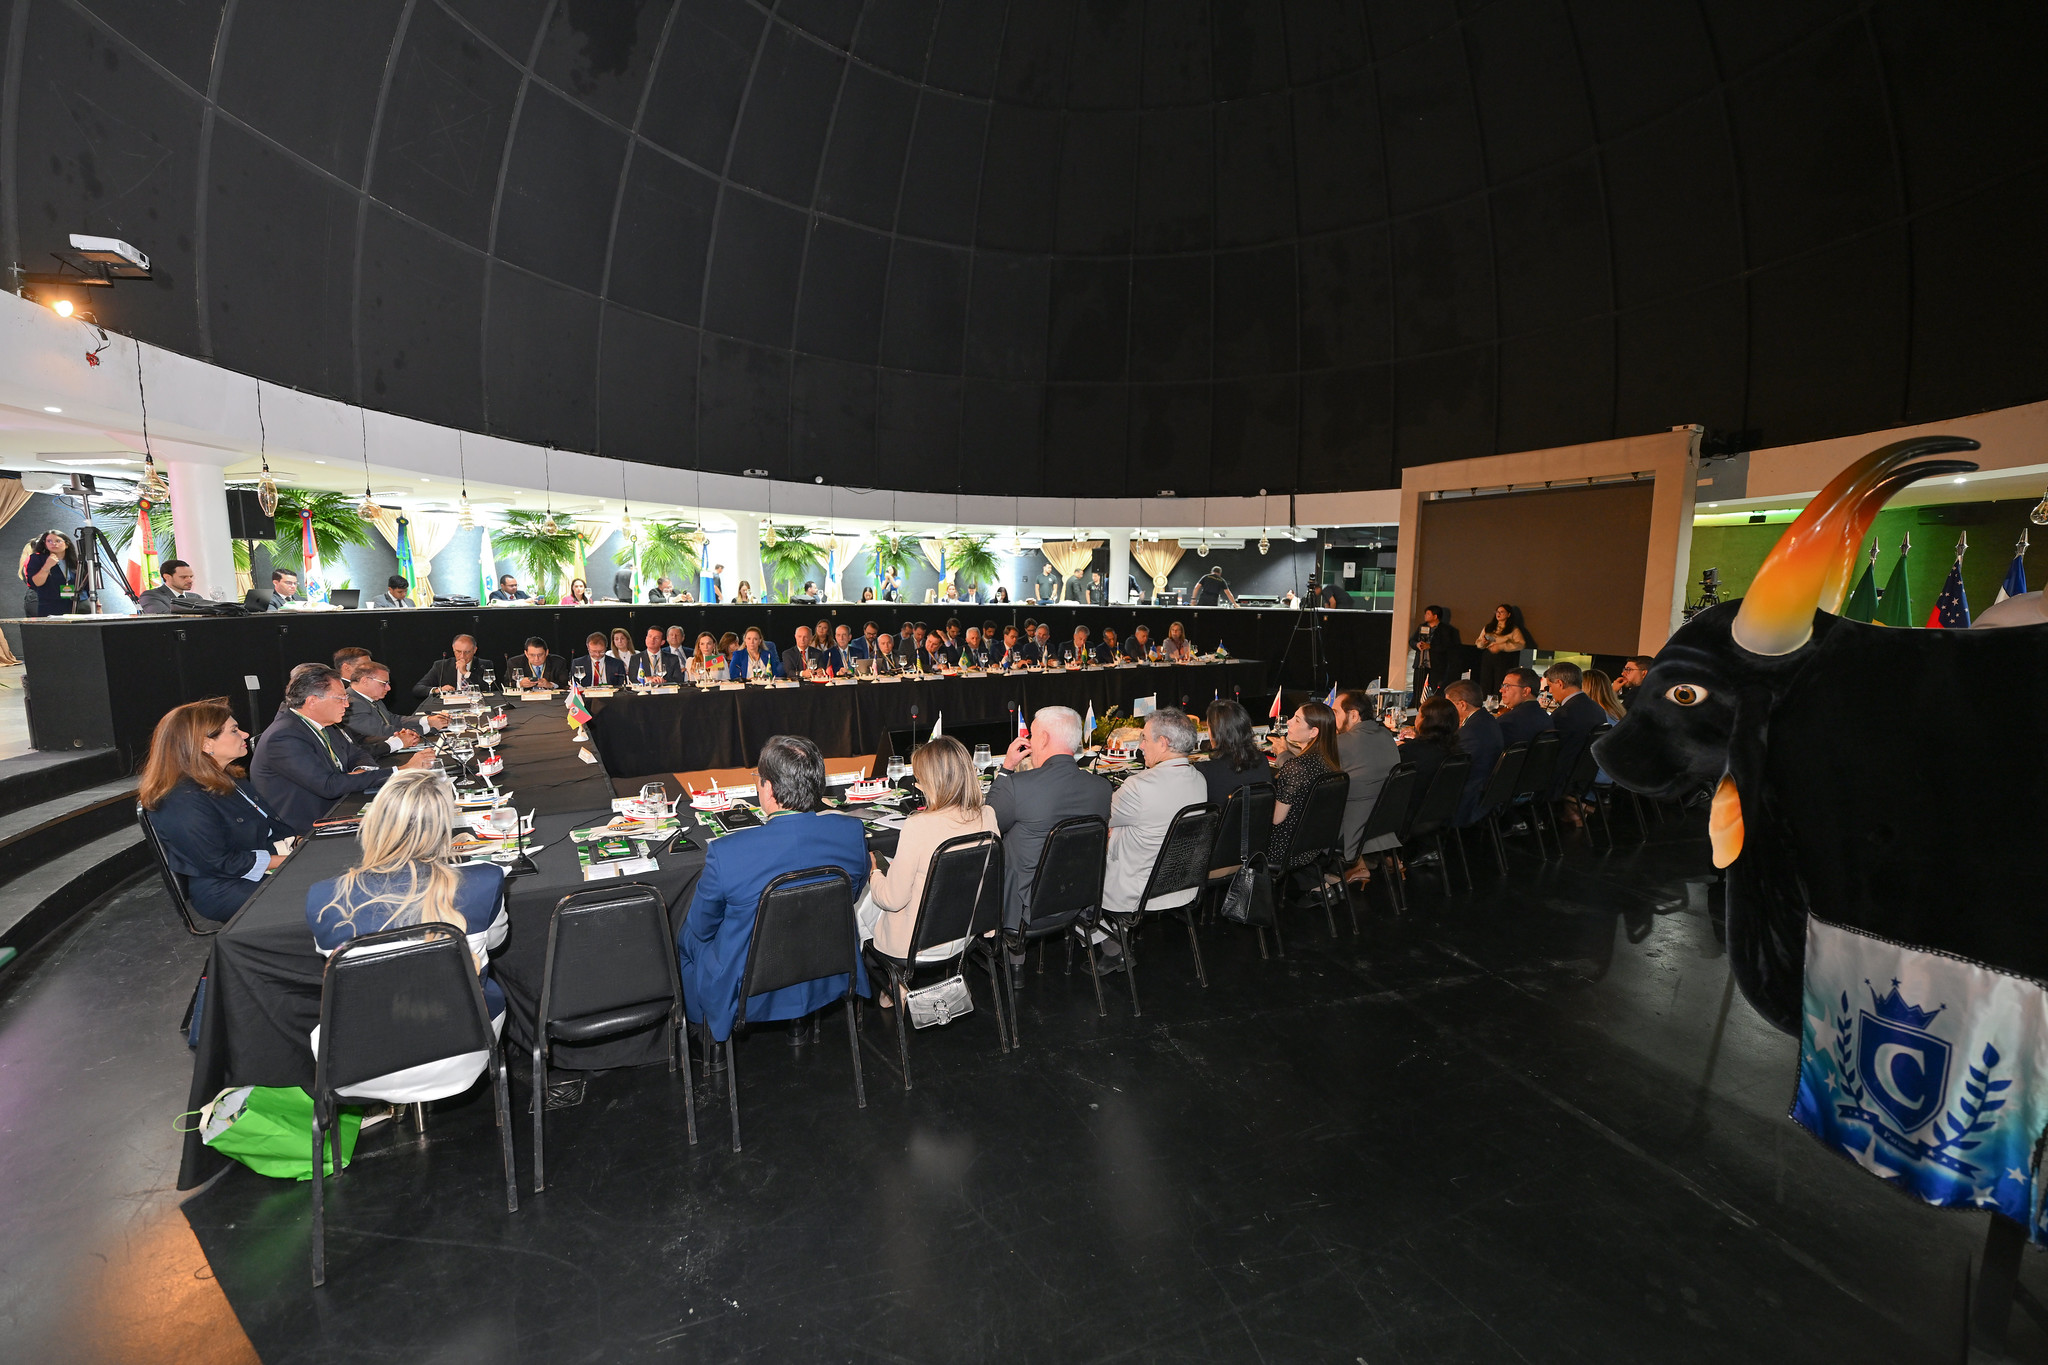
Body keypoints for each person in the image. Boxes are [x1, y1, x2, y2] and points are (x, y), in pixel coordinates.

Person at [306, 770, 509, 1076]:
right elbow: (495, 941)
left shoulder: (324, 898)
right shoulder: (483, 882)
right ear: (444, 827)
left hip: (356, 1059)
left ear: (373, 823)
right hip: (463, 1047)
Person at [677, 734, 869, 1040]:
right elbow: (851, 894)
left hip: (750, 987)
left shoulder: (727, 853)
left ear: (767, 788)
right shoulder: (851, 832)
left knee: (687, 937)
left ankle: (708, 1039)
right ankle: (798, 1025)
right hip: (827, 968)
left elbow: (702, 928)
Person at [138, 698, 297, 922]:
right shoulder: (181, 799)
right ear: (205, 745)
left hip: (261, 865)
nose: (244, 734)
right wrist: (293, 859)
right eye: (234, 730)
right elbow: (220, 862)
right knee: (326, 896)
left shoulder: (230, 777)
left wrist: (299, 844)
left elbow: (269, 825)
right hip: (226, 888)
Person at [860, 736, 1000, 961]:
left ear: (931, 784)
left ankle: (892, 988)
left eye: (918, 780)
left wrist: (874, 873)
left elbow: (891, 899)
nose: (918, 786)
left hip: (918, 943)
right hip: (964, 933)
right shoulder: (988, 814)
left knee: (861, 900)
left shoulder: (918, 825)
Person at [251, 665, 428, 836]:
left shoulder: (323, 723)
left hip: (340, 804)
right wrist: (401, 771)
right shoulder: (283, 736)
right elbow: (329, 786)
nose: (347, 705)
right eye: (341, 698)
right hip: (311, 827)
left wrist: (361, 771)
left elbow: (357, 753)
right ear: (312, 701)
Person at [988, 706, 1111, 945]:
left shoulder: (1018, 786)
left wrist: (1006, 768)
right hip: (1076, 901)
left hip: (1023, 910)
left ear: (1043, 738)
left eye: (1032, 736)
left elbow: (988, 822)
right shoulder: (1102, 788)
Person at [1102, 708, 1207, 929]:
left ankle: (1109, 946)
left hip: (1137, 890)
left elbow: (1101, 818)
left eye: (1144, 739)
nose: (1141, 746)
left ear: (1163, 743)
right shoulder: (1199, 779)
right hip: (1182, 883)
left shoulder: (1139, 786)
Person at [1266, 701, 1341, 886]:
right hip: (1313, 846)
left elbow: (1275, 819)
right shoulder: (1329, 761)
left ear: (1313, 732)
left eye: (1297, 720)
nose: (1289, 722)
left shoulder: (1295, 767)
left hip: (1283, 850)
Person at [1332, 689, 1402, 868]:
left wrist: (1283, 753)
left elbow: (1307, 768)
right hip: (1382, 824)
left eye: (1335, 713)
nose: (1332, 719)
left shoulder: (1342, 743)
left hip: (1351, 829)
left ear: (1353, 715)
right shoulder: (1386, 735)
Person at [342, 661, 448, 752]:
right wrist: (428, 727)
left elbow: (392, 719)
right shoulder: (351, 703)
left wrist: (427, 720)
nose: (388, 688)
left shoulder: (371, 697)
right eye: (384, 683)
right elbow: (381, 732)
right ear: (365, 681)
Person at [1441, 680, 1503, 827]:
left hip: (1468, 801)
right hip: (1488, 795)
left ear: (1462, 704)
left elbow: (1450, 766)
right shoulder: (1487, 720)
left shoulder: (1471, 733)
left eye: (1449, 705)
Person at [1543, 662, 1605, 807]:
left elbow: (1548, 749)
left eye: (1550, 686)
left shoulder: (1564, 714)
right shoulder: (1597, 708)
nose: (1550, 691)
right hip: (1585, 775)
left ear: (1560, 683)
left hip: (1564, 778)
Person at [1396, 698, 1463, 822]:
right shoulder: (1458, 751)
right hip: (1439, 814)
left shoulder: (1410, 752)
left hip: (1407, 816)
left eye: (1418, 714)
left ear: (1424, 720)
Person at [1201, 699, 1271, 806]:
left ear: (1216, 733)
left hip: (1222, 823)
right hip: (1259, 822)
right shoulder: (1262, 761)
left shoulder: (1206, 771)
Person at [1473, 605, 1528, 699]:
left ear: (1509, 614)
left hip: (1503, 658)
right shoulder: (1489, 627)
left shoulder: (1513, 629)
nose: (1498, 614)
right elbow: (1478, 643)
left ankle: (1498, 704)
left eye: (1502, 612)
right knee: (1486, 681)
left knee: (1500, 681)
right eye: (1497, 611)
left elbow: (1521, 644)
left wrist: (1502, 646)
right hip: (1488, 656)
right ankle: (1485, 702)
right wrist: (1483, 642)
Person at [1408, 606, 1460, 696]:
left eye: (1428, 614)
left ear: (1435, 616)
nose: (1425, 616)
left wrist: (1430, 646)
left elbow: (1448, 647)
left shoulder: (1446, 630)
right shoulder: (1422, 627)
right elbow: (1412, 641)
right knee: (1418, 692)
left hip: (1436, 666)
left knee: (1437, 691)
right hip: (1420, 665)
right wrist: (1417, 645)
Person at [1495, 668, 1554, 746]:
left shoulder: (1508, 722)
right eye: (1503, 685)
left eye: (1507, 686)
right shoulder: (1546, 718)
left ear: (1525, 691)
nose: (1501, 690)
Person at [414, 634, 484, 696]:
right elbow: (418, 689)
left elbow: (490, 688)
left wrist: (466, 673)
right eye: (458, 651)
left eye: (467, 652)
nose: (462, 656)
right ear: (453, 649)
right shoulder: (441, 666)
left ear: (474, 650)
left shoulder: (484, 664)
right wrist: (438, 690)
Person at [137, 558, 209, 614]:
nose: (190, 580)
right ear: (167, 577)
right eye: (183, 577)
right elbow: (165, 618)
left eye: (191, 576)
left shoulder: (196, 597)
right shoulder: (150, 596)